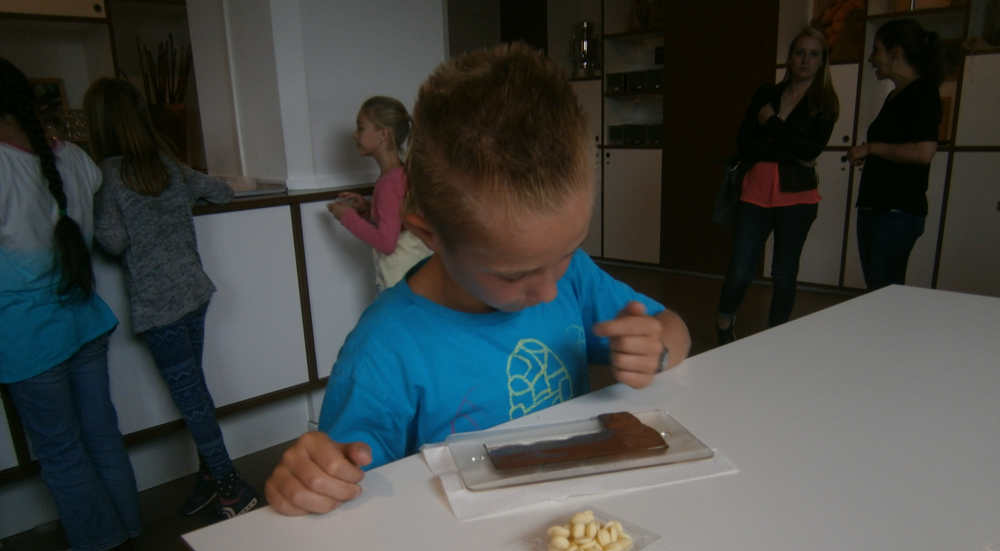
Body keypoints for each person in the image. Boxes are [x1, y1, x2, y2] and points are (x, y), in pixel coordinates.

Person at [265, 43, 692, 516]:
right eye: (515, 274)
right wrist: (311, 479)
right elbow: (339, 488)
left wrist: (656, 347)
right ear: (429, 235)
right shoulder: (382, 354)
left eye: (567, 251)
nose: (549, 290)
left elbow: (675, 329)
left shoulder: (573, 276)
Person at [84, 77, 258, 521]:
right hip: (194, 292)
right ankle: (210, 476)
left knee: (190, 398)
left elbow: (112, 241)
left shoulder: (107, 177)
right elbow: (222, 191)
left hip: (158, 306)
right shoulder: (169, 165)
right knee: (195, 391)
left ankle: (231, 487)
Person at [0, 58, 141, 551]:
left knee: (59, 450)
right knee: (102, 433)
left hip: (29, 335)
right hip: (84, 320)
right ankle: (123, 535)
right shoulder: (74, 156)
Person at [716, 26, 839, 345]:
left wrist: (771, 122)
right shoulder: (766, 94)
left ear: (822, 60)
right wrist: (793, 154)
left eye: (814, 54)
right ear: (790, 57)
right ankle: (724, 321)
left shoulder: (825, 103)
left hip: (798, 198)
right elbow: (745, 144)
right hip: (754, 191)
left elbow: (811, 149)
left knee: (784, 274)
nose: (806, 60)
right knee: (740, 271)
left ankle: (776, 337)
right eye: (800, 53)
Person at [847, 18, 942, 291]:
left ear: (896, 51)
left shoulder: (924, 92)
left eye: (876, 50)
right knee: (877, 291)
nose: (871, 59)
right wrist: (870, 153)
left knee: (884, 292)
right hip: (876, 205)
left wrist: (872, 148)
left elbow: (924, 152)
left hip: (897, 211)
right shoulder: (895, 95)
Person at [327, 96, 431, 294]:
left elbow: (386, 243)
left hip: (400, 284)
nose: (355, 135)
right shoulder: (402, 175)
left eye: (361, 128)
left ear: (383, 134)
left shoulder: (388, 184)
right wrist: (367, 210)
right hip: (417, 278)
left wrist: (347, 217)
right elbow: (396, 222)